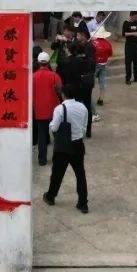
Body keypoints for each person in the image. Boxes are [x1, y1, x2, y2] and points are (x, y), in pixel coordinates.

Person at [43, 82, 89, 213]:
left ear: (63, 94)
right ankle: (83, 203)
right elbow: (84, 127)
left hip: (63, 145)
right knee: (80, 174)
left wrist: (51, 125)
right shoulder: (83, 107)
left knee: (57, 173)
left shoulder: (59, 109)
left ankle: (51, 196)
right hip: (78, 144)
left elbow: (54, 127)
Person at [32, 51, 64, 166]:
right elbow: (60, 90)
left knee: (41, 135)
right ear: (48, 62)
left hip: (39, 109)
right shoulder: (54, 76)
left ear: (38, 62)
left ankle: (42, 159)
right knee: (56, 134)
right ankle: (58, 157)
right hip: (53, 109)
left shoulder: (33, 77)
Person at [90, 35, 113, 117]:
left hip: (95, 64)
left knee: (91, 82)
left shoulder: (93, 43)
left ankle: (90, 98)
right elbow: (110, 54)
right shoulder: (107, 43)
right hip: (104, 63)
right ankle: (101, 99)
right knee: (102, 82)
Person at [121, 11, 137, 84]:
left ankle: (136, 77)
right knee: (128, 63)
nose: (136, 18)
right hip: (129, 45)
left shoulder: (136, 23)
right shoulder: (126, 23)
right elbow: (124, 34)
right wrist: (133, 33)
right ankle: (127, 79)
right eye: (135, 17)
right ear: (131, 16)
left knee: (136, 62)